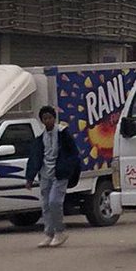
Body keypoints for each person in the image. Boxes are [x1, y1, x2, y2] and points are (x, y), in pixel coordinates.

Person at [25, 106, 81, 247]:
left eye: (50, 118)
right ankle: (49, 234)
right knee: (46, 205)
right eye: (45, 118)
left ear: (54, 118)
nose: (47, 121)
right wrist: (29, 178)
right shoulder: (40, 138)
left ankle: (60, 232)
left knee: (54, 202)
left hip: (59, 174)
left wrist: (67, 169)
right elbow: (35, 157)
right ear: (42, 120)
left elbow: (73, 153)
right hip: (45, 174)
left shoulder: (63, 133)